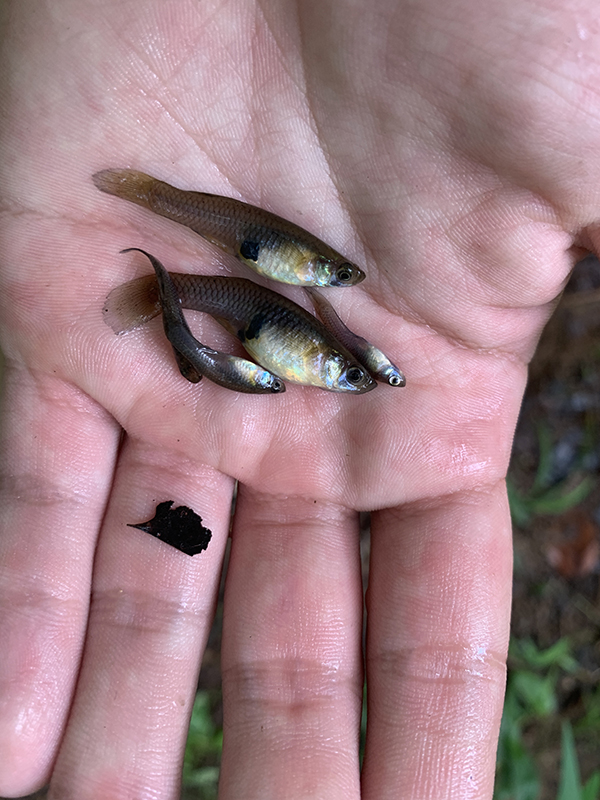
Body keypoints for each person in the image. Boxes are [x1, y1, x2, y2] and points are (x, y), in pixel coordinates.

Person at [0, 1, 596, 797]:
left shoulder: (314, 325)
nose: (352, 377)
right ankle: (161, 251)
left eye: (352, 375)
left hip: (257, 315)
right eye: (338, 280)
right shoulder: (308, 307)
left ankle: (168, 280)